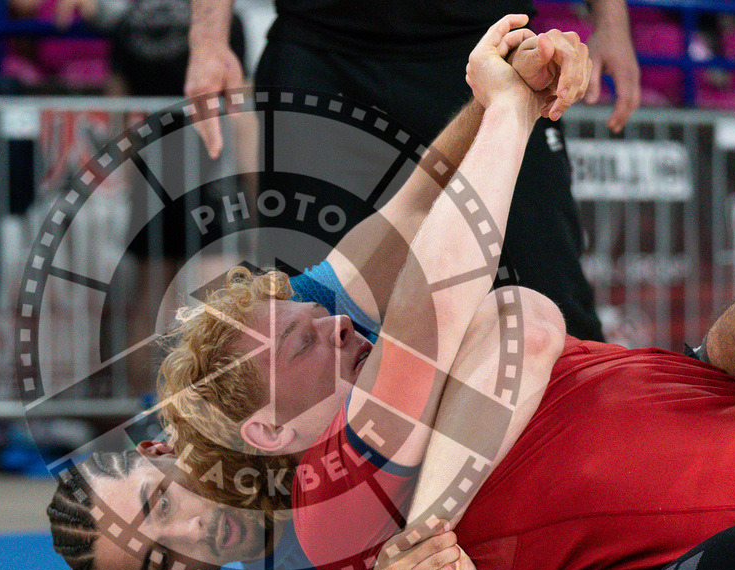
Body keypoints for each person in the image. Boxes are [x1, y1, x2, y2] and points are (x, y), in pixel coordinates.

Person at [157, 14, 735, 570]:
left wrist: (510, 98)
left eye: (318, 315)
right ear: (270, 429)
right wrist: (508, 107)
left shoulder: (411, 386)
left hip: (712, 392)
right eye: (300, 342)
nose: (338, 324)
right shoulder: (329, 500)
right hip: (721, 537)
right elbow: (447, 301)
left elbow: (514, 314)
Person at [183, 0, 639, 342]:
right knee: (308, 322)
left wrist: (613, 25)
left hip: (485, 39)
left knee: (550, 295)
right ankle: (313, 447)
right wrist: (208, 40)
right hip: (321, 50)